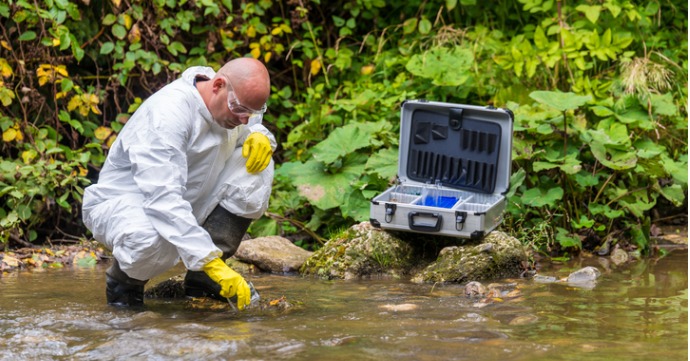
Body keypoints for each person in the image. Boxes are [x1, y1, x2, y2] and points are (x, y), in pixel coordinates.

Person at [82, 58, 275, 310]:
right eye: (240, 110)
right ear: (217, 85)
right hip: (129, 206)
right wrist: (208, 260)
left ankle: (203, 280)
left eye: (252, 113)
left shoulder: (232, 108)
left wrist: (260, 135)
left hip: (188, 199)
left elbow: (249, 126)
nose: (243, 120)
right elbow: (162, 200)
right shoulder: (168, 114)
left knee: (256, 164)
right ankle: (125, 288)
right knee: (149, 236)